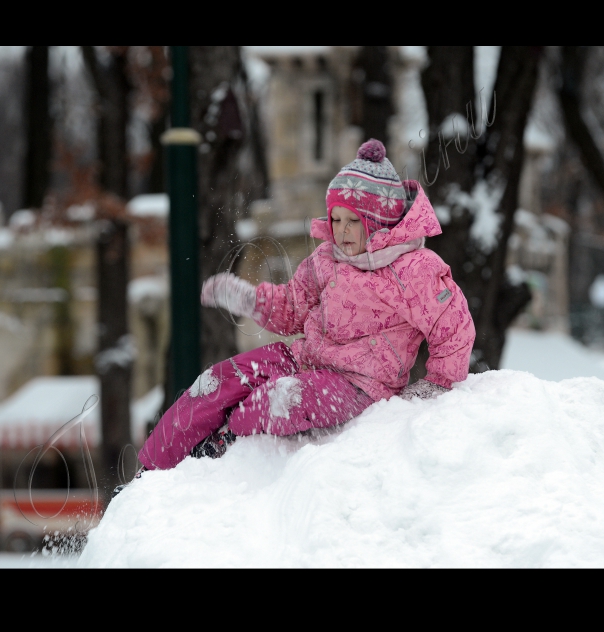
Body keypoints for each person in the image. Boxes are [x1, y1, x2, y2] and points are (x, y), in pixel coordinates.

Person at [135, 139, 475, 475]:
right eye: (336, 219)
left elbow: (454, 326)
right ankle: (150, 469)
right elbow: (292, 308)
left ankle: (222, 447)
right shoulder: (326, 259)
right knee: (218, 381)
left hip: (361, 386)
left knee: (278, 400)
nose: (341, 232)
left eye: (353, 221)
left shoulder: (415, 269)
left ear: (378, 220)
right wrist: (251, 300)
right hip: (302, 360)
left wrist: (439, 383)